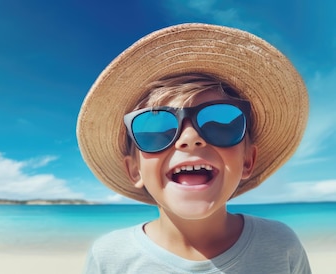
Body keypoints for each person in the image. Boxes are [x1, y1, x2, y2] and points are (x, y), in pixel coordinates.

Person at [77, 23, 311, 273]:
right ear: (135, 170)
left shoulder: (280, 245)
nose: (189, 138)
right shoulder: (110, 258)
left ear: (247, 161)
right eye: (157, 132)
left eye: (221, 124)